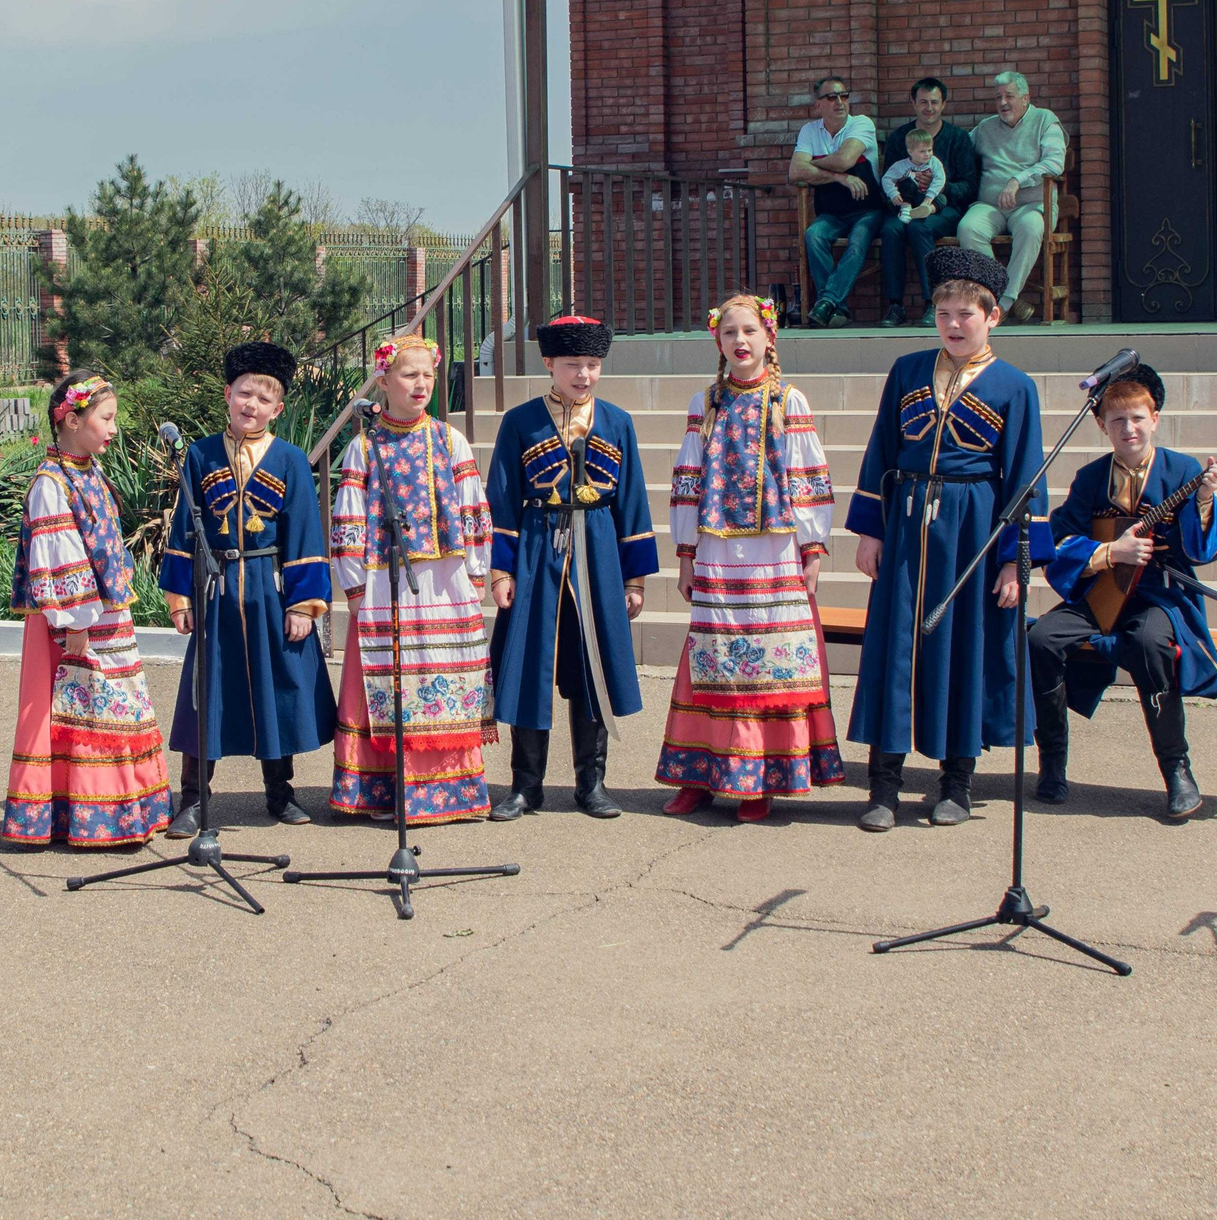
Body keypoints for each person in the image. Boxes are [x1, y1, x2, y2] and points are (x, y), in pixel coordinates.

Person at [845, 247, 1047, 830]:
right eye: (944, 315)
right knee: (897, 645)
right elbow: (882, 449)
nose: (954, 326)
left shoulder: (1015, 386)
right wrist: (870, 531)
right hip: (907, 524)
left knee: (965, 648)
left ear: (992, 317)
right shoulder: (907, 371)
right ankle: (883, 785)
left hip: (973, 531)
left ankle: (955, 782)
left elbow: (1025, 479)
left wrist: (1014, 563)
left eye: (966, 315)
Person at [657, 293, 841, 820]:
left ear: (770, 337)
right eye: (730, 332)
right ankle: (701, 775)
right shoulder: (706, 403)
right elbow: (688, 478)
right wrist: (686, 553)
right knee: (711, 660)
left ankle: (759, 778)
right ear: (717, 340)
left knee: (768, 668)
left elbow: (808, 477)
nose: (740, 341)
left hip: (775, 549)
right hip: (717, 550)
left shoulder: (789, 401)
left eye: (750, 331)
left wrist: (813, 547)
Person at [1027, 364, 1217, 821]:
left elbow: (1202, 552)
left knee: (1148, 642)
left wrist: (1203, 501)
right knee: (1040, 638)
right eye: (1117, 421)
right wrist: (1108, 552)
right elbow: (1060, 540)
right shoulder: (1091, 478)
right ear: (1101, 426)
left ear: (1154, 418)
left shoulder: (1183, 471)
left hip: (1159, 596)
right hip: (1100, 594)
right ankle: (1052, 762)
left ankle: (1177, 769)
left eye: (1138, 418)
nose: (1129, 428)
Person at [158, 341, 337, 834]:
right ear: (227, 395)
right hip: (215, 589)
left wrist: (303, 604)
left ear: (277, 408)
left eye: (263, 399)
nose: (251, 405)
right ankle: (194, 798)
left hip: (268, 589)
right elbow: (184, 530)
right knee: (206, 692)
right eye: (243, 394)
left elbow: (304, 531)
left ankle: (280, 793)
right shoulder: (199, 455)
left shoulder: (291, 460)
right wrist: (180, 597)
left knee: (273, 687)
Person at [488, 315, 657, 820]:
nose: (582, 374)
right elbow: (501, 499)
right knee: (529, 668)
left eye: (591, 364)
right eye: (571, 365)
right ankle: (526, 786)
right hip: (538, 548)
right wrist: (503, 571)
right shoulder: (520, 421)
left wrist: (633, 578)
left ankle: (592, 783)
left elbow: (632, 502)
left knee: (593, 669)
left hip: (600, 549)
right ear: (549, 365)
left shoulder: (617, 421)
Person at [327, 336, 495, 825]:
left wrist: (477, 568)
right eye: (408, 375)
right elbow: (350, 519)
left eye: (428, 374)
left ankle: (449, 792)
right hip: (386, 580)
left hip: (443, 577)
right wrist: (356, 585)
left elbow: (471, 506)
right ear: (382, 382)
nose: (421, 384)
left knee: (442, 669)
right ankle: (382, 791)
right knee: (387, 680)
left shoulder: (449, 438)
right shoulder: (363, 446)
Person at [4, 370, 172, 846]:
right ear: (73, 420)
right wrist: (75, 621)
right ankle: (90, 815)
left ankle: (121, 812)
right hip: (79, 619)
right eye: (107, 417)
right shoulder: (51, 481)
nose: (114, 427)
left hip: (106, 613)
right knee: (89, 709)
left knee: (112, 708)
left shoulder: (88, 470)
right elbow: (59, 550)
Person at [959, 71, 1066, 322]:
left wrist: (1018, 180)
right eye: (998, 98)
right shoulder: (985, 128)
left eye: (1009, 96)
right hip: (991, 205)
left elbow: (1055, 163)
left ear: (1026, 98)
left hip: (1031, 205)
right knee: (968, 228)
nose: (1003, 103)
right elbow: (960, 150)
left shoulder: (1045, 120)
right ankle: (1006, 296)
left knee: (1031, 228)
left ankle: (1003, 304)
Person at [877, 77, 981, 326]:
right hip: (906, 207)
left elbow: (970, 187)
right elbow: (886, 181)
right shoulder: (900, 138)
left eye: (934, 102)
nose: (929, 107)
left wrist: (939, 187)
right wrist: (903, 196)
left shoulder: (958, 138)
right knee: (891, 230)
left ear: (944, 104)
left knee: (919, 227)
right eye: (923, 101)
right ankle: (894, 306)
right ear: (913, 103)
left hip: (946, 209)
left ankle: (932, 304)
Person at [790, 76, 883, 328]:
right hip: (831, 213)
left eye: (844, 96)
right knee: (813, 235)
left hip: (867, 209)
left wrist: (811, 163)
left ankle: (826, 301)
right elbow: (794, 173)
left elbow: (844, 159)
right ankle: (836, 307)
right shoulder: (810, 131)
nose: (840, 102)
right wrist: (838, 177)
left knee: (857, 242)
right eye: (831, 97)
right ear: (818, 105)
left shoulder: (861, 124)